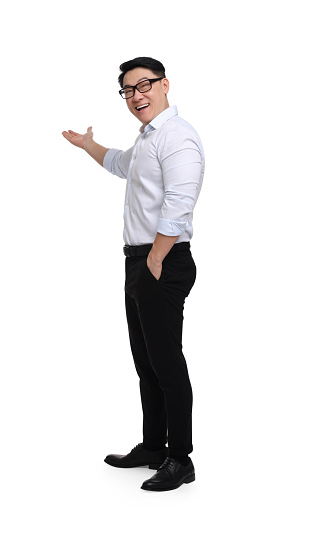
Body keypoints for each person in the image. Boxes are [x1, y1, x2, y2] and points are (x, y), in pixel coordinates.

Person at [62, 57, 204, 491]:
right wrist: (89, 145)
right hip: (141, 260)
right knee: (147, 362)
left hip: (161, 259)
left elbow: (180, 204)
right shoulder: (148, 137)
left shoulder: (177, 137)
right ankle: (153, 446)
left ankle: (180, 459)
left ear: (165, 85)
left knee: (167, 365)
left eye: (144, 85)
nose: (137, 95)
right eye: (128, 90)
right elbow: (122, 164)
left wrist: (155, 261)